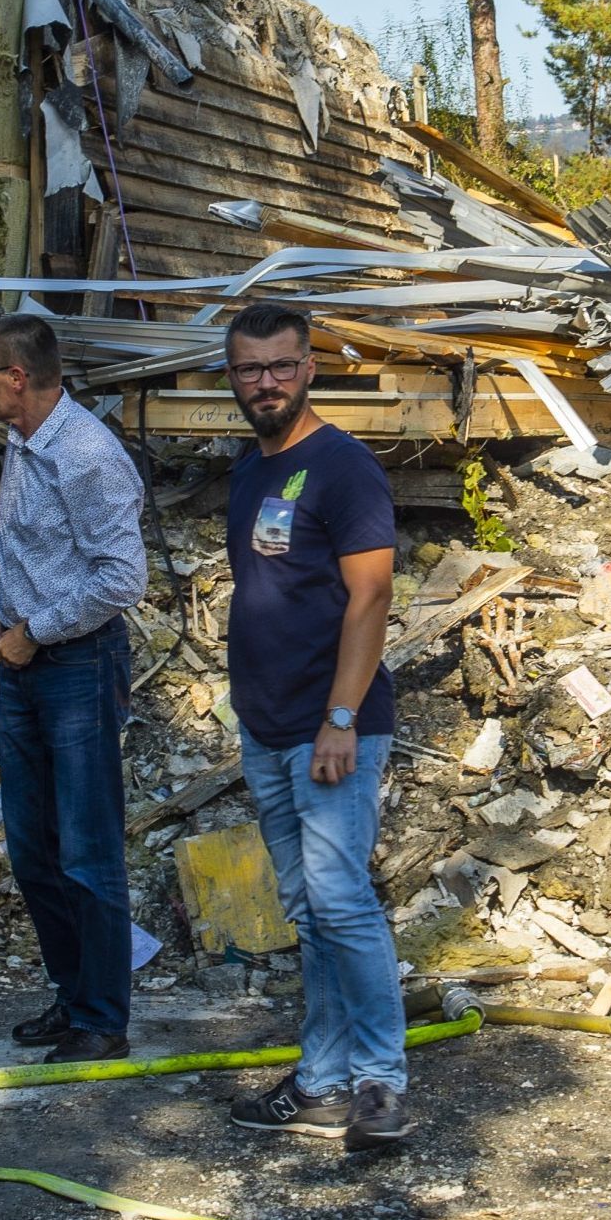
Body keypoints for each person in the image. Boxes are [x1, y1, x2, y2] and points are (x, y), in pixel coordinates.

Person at [216, 300, 412, 1151]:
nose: (266, 381)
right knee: (310, 908)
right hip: (268, 728)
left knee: (340, 898)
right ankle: (323, 1078)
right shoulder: (248, 472)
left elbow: (371, 595)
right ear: (233, 376)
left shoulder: (343, 468)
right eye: (250, 368)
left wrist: (339, 716)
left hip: (333, 728)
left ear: (310, 367)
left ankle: (380, 1080)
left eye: (282, 365)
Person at [0, 312, 150, 1064]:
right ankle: (73, 993)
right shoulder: (21, 441)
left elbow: (123, 577)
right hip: (23, 662)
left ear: (17, 377)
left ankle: (103, 1019)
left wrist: (35, 629)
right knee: (33, 847)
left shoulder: (86, 453)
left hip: (74, 663)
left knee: (86, 848)